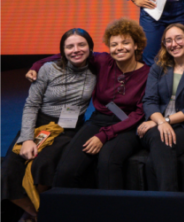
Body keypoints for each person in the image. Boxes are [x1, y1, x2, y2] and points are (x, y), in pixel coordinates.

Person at [26, 19, 151, 190]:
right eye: (114, 44)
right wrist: (37, 65)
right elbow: (69, 55)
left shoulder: (148, 74)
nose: (119, 47)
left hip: (127, 126)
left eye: (125, 42)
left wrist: (104, 136)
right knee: (66, 169)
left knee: (107, 162)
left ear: (136, 45)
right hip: (99, 120)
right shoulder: (103, 61)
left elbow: (139, 114)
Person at [2, 29, 96, 220]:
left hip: (68, 130)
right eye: (70, 46)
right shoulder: (48, 69)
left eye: (81, 45)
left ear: (90, 48)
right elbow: (31, 105)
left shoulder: (97, 69)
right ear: (62, 50)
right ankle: (35, 213)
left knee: (43, 165)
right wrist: (27, 138)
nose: (76, 50)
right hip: (39, 124)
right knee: (8, 171)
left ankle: (38, 212)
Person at [137, 24, 184, 192]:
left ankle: (164, 201)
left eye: (178, 38)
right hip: (156, 122)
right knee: (159, 137)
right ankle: (170, 202)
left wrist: (164, 122)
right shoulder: (158, 67)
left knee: (157, 151)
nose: (173, 44)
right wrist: (160, 122)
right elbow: (149, 101)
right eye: (168, 40)